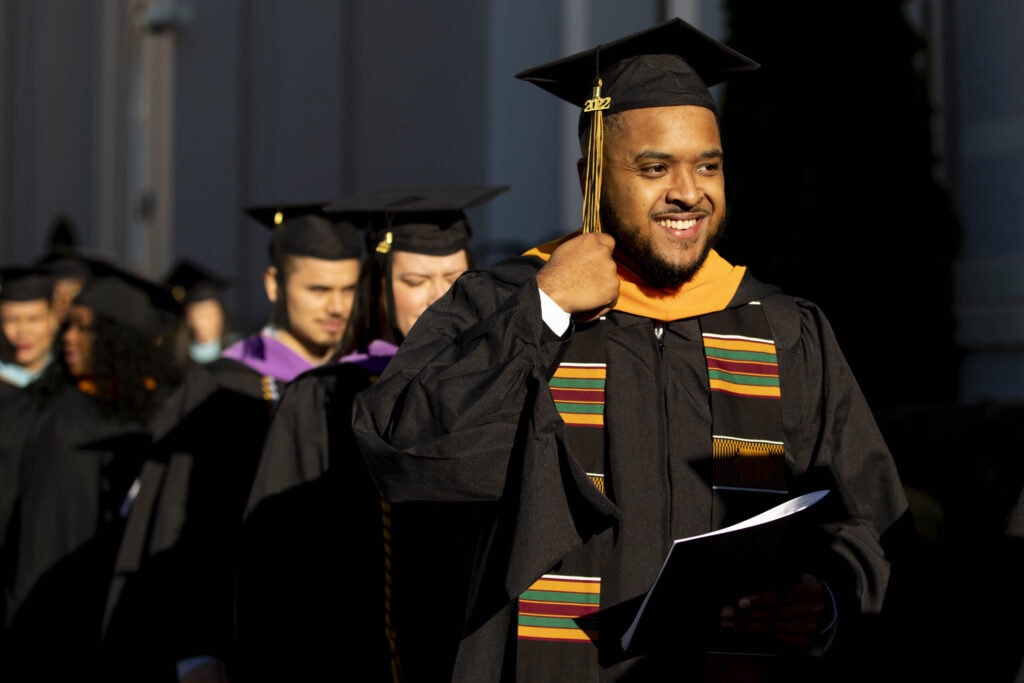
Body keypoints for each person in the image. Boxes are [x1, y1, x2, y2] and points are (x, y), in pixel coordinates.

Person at [351, 17, 913, 682]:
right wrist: (545, 308)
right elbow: (402, 444)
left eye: (708, 165)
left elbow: (867, 519)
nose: (688, 191)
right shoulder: (500, 304)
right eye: (654, 167)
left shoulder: (785, 328)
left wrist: (826, 598)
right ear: (591, 177)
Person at [234, 185, 506, 682]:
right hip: (352, 651)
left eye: (454, 277)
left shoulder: (497, 385)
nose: (440, 296)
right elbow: (273, 568)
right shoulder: (321, 400)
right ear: (378, 284)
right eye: (416, 279)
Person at [102, 204, 364, 683]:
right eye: (319, 289)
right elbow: (181, 530)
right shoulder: (222, 389)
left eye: (349, 289)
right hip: (242, 641)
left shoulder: (364, 379)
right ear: (273, 284)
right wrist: (195, 651)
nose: (337, 307)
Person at [0, 262, 183, 680]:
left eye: (86, 328)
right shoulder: (41, 411)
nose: (69, 339)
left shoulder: (163, 414)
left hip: (125, 627)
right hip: (41, 621)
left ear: (121, 339)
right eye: (69, 326)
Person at [162, 259, 240, 369]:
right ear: (188, 319)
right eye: (195, 315)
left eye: (208, 314)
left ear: (221, 316)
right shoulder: (172, 357)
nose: (202, 322)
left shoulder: (239, 357)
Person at [0, 266, 60, 391]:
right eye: (11, 320)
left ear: (54, 320)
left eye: (34, 319)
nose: (22, 331)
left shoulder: (72, 382)